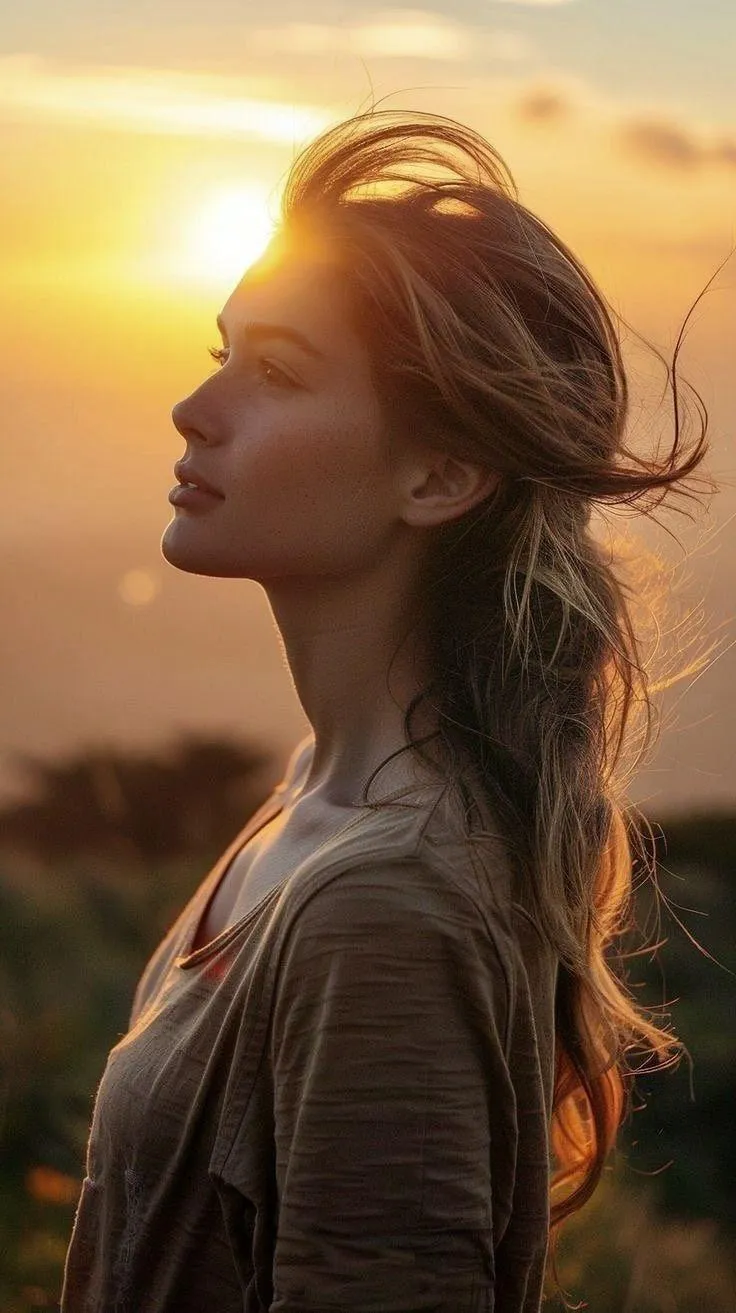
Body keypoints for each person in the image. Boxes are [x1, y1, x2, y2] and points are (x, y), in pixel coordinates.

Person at [60, 108, 714, 1312]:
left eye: (278, 373)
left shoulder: (383, 903)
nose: (194, 409)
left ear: (440, 474)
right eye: (222, 351)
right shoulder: (318, 793)